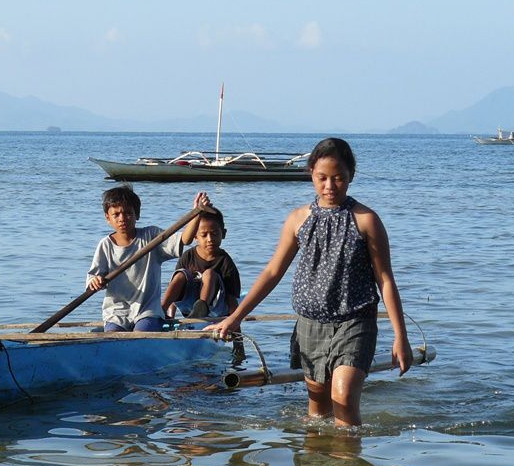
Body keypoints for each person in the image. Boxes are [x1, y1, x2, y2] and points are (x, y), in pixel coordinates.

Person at [207, 138, 412, 427]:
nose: (330, 186)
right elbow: (272, 273)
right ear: (311, 174)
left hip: (355, 322)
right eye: (322, 178)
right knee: (317, 411)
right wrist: (235, 318)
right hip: (310, 325)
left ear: (351, 175)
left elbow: (385, 279)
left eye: (338, 178)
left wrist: (400, 336)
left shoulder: (366, 220)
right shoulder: (298, 219)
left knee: (343, 401)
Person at [87, 184, 210, 332]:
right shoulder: (105, 245)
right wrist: (96, 281)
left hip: (147, 310)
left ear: (137, 215)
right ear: (108, 218)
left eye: (128, 213)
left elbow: (185, 239)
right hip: (116, 312)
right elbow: (93, 278)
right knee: (113, 335)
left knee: (141, 333)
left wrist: (196, 213)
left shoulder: (151, 237)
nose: (122, 218)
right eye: (116, 214)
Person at [161, 206, 240, 320]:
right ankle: (161, 310)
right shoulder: (188, 256)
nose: (209, 239)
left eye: (214, 234)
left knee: (209, 274)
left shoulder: (225, 261)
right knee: (180, 275)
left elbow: (231, 300)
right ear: (195, 236)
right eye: (204, 235)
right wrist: (170, 316)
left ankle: (201, 308)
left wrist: (235, 326)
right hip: (189, 305)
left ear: (223, 233)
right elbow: (175, 288)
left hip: (215, 308)